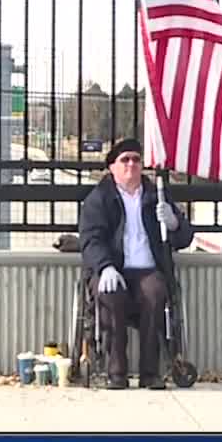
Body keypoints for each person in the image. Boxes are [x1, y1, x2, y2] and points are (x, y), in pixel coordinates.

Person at [77, 138, 194, 390]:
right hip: (113, 269)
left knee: (155, 294)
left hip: (147, 269)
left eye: (136, 159)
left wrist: (174, 223)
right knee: (112, 296)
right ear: (112, 167)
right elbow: (91, 239)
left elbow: (183, 239)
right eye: (124, 160)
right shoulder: (99, 199)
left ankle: (150, 373)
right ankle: (116, 373)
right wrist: (105, 266)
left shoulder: (156, 195)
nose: (131, 164)